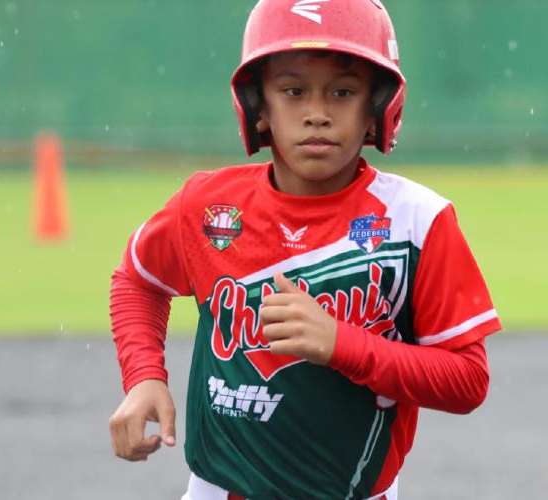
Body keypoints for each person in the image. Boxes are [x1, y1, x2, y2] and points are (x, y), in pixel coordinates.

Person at [109, 1, 501, 498]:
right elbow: (138, 280)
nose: (317, 114)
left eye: (343, 91)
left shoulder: (418, 221)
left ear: (377, 109)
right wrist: (144, 376)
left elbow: (467, 380)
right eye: (293, 91)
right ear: (259, 107)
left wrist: (342, 345)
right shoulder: (209, 206)